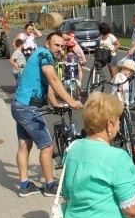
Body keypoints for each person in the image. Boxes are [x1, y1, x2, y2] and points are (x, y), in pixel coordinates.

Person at [12, 32, 83, 198]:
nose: (59, 49)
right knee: (47, 146)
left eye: (61, 46)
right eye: (56, 45)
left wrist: (55, 103)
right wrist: (71, 101)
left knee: (24, 145)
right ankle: (50, 185)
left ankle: (24, 185)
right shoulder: (44, 54)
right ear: (47, 44)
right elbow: (52, 79)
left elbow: (47, 85)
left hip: (19, 105)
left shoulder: (40, 55)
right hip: (28, 108)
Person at [113, 59, 135, 155]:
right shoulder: (120, 77)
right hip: (118, 105)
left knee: (126, 126)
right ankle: (128, 145)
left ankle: (126, 144)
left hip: (123, 105)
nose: (131, 73)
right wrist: (122, 102)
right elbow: (120, 88)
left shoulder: (123, 77)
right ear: (124, 68)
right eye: (130, 71)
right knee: (122, 127)